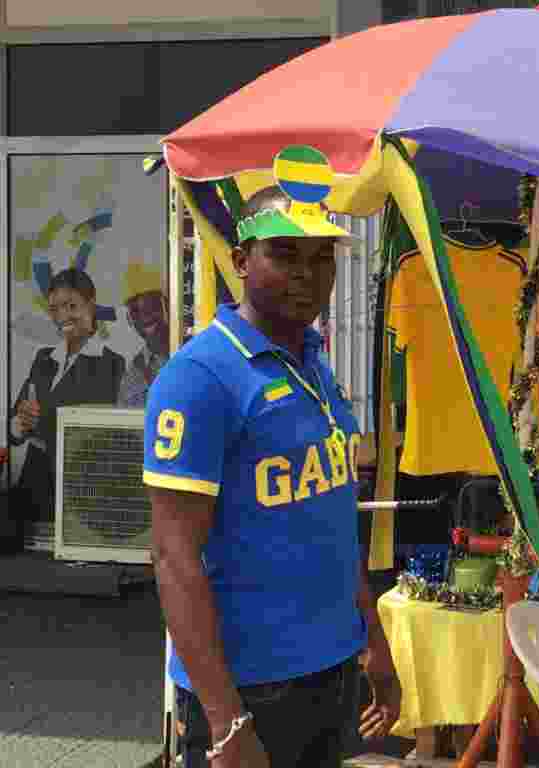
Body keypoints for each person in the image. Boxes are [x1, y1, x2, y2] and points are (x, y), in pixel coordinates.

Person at [144, 186, 400, 768]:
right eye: (284, 254)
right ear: (240, 260)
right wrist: (225, 721)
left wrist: (374, 643)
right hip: (248, 690)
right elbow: (173, 557)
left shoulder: (314, 364)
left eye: (321, 256)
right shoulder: (199, 377)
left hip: (332, 670)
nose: (307, 274)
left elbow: (334, 523)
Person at [9, 268, 125, 531]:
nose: (62, 316)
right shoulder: (43, 358)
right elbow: (13, 427)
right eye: (54, 309)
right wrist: (20, 423)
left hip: (77, 492)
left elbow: (96, 434)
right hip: (32, 489)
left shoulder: (111, 364)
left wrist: (39, 425)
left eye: (71, 306)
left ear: (91, 305)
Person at [117, 262, 170, 407]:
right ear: (130, 320)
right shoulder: (133, 373)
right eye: (136, 311)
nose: (145, 317)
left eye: (151, 305)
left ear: (167, 306)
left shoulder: (190, 356)